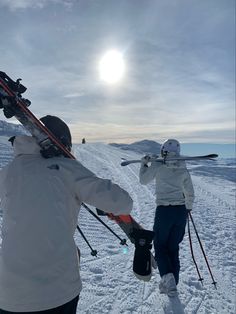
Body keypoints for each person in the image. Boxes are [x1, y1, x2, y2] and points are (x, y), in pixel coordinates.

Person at [0, 115, 133, 313]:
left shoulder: (8, 171)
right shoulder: (67, 168)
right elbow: (123, 203)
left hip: (7, 294)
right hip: (56, 293)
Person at [139, 139, 194, 297]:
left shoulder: (158, 164)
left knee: (160, 246)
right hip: (180, 212)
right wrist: (188, 207)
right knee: (173, 247)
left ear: (163, 150)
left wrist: (144, 164)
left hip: (164, 211)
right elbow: (190, 191)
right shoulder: (183, 167)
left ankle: (167, 279)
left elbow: (143, 180)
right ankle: (172, 285)